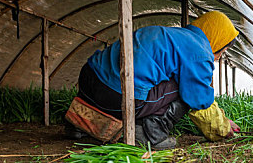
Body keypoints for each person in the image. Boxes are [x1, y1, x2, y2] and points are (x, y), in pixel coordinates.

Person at [65, 10, 241, 149]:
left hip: (88, 80)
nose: (217, 57)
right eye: (221, 51)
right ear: (216, 40)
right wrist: (223, 128)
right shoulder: (199, 51)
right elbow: (200, 101)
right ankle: (150, 134)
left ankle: (78, 125)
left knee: (168, 79)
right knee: (186, 88)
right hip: (117, 96)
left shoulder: (172, 35)